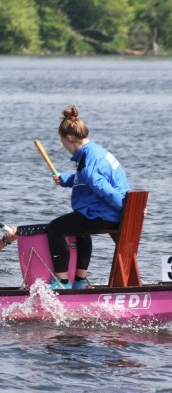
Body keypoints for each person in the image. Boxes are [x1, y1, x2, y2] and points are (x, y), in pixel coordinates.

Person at [46, 105, 129, 289]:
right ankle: (80, 281)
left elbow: (107, 191)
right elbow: (86, 179)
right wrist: (66, 179)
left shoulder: (88, 164)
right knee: (79, 226)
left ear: (69, 139)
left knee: (55, 228)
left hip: (108, 215)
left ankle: (62, 281)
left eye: (63, 144)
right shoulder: (96, 152)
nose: (65, 148)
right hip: (109, 212)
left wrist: (128, 211)